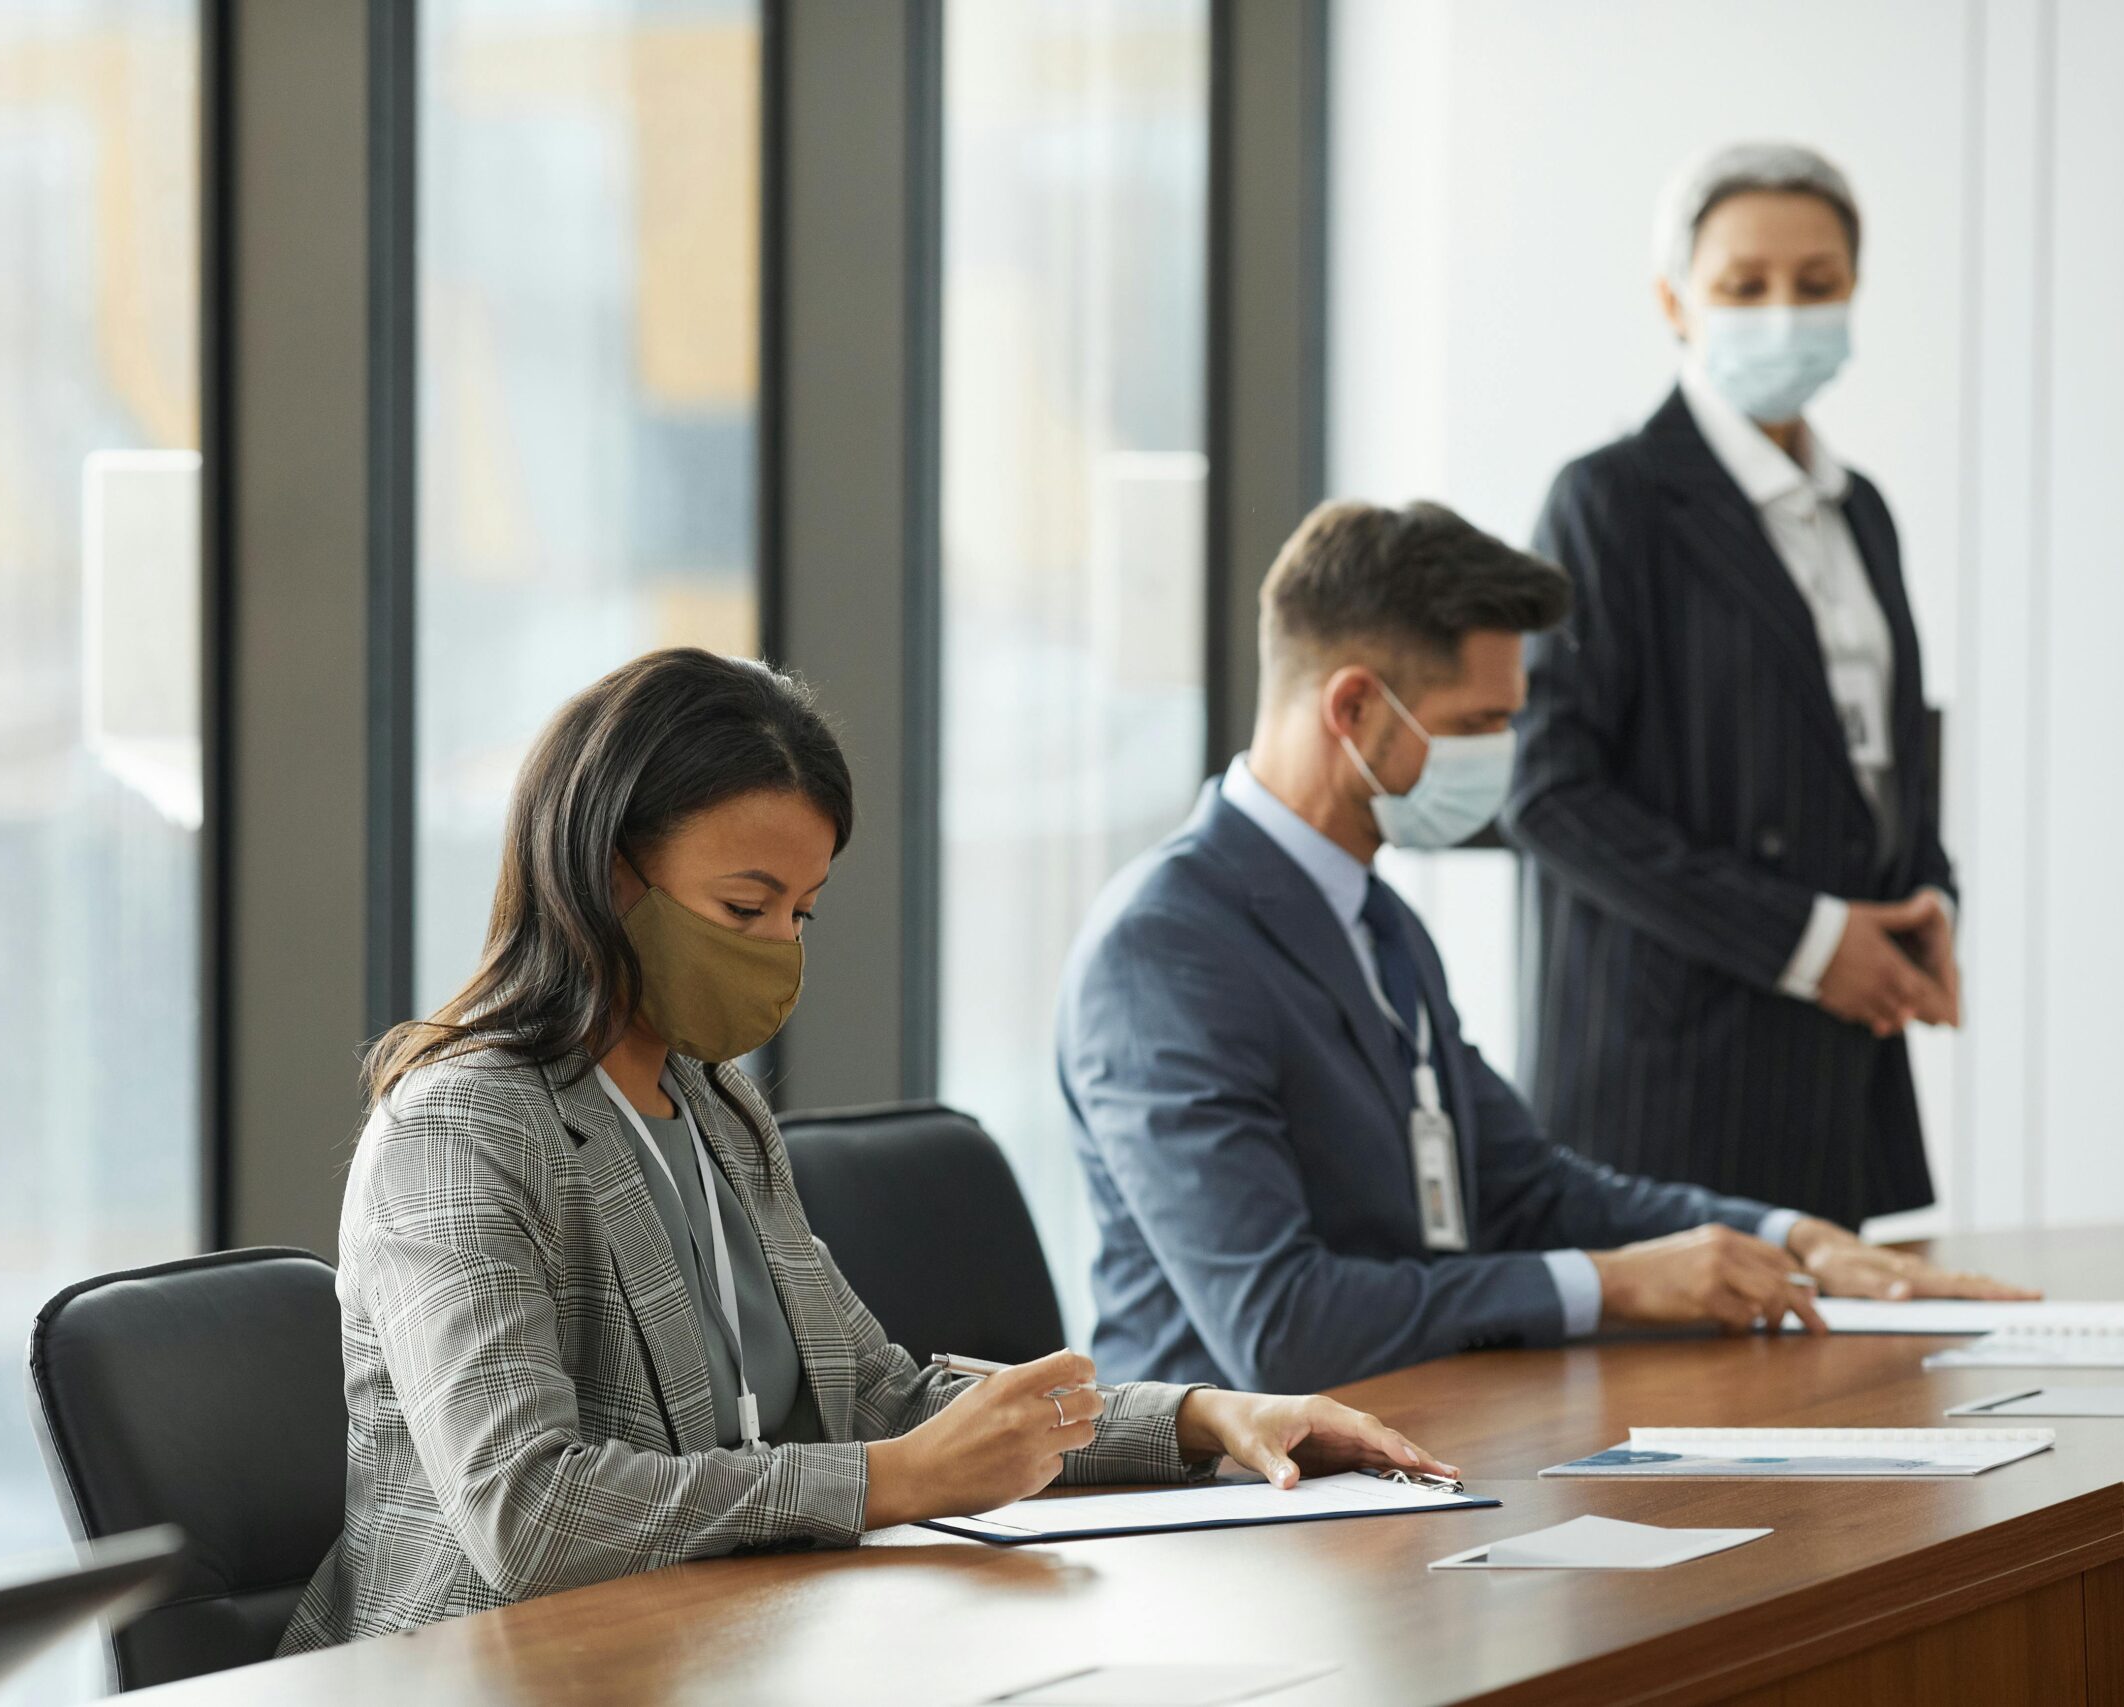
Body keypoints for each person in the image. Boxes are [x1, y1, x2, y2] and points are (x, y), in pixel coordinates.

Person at [279, 649, 1456, 1647]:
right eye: (744, 908)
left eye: (801, 912)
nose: (780, 948)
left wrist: (1207, 1421)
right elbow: (526, 1511)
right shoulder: (460, 1125)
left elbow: (876, 1394)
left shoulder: (718, 1111)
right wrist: (898, 1482)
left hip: (723, 1645)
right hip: (486, 1669)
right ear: (604, 872)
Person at [1058, 501, 2026, 1398]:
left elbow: (1531, 1187)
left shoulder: (1376, 922)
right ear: (1351, 709)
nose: (1507, 755)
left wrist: (1785, 1238)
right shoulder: (1161, 951)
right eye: (1479, 724)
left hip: (1406, 1446)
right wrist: (1612, 1285)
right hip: (1226, 1517)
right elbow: (1279, 1327)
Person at [1504, 142, 1961, 1228]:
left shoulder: (1862, 511)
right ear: (1674, 301)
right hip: (1672, 1078)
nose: (1782, 312)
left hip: (1838, 1067)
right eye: (1742, 286)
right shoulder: (1608, 502)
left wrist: (1928, 901)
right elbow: (1549, 793)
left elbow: (1875, 753)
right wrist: (1808, 943)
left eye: (1816, 284)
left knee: (1851, 1390)